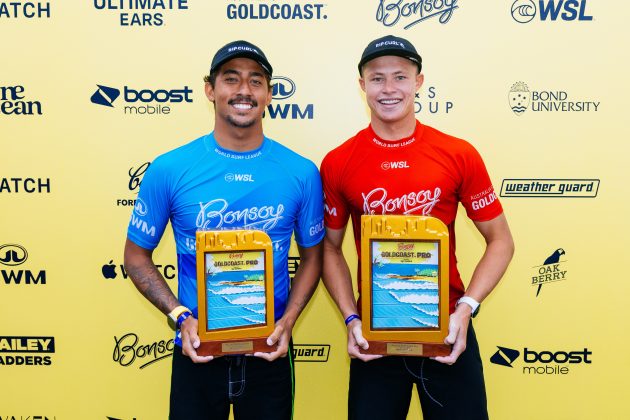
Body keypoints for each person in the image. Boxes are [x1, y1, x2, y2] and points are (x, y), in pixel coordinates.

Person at [123, 40, 324, 420]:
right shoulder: (169, 168)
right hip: (196, 350)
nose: (244, 90)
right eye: (231, 79)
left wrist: (289, 321)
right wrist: (181, 316)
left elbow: (314, 256)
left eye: (256, 80)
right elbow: (135, 257)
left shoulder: (301, 172)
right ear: (210, 90)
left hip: (269, 351)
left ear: (268, 93)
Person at [320, 35, 514, 420]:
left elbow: (501, 241)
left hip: (447, 331)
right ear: (362, 86)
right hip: (375, 336)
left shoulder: (458, 153)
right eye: (377, 79)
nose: (389, 89)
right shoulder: (339, 161)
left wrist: (466, 310)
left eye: (400, 77)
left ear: (419, 81)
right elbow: (328, 249)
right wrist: (351, 318)